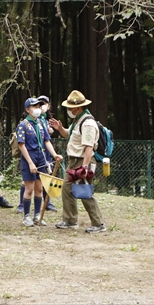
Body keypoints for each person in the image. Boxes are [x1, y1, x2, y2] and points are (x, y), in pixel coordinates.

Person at [49, 90, 106, 233]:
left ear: (78, 108)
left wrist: (85, 167)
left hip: (83, 161)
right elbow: (69, 134)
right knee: (67, 189)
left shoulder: (88, 123)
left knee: (84, 192)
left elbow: (88, 147)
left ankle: (98, 224)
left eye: (70, 107)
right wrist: (60, 128)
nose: (68, 110)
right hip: (74, 161)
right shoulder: (78, 120)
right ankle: (70, 220)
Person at [16, 98, 63, 227]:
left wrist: (54, 155)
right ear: (27, 109)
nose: (37, 108)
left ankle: (37, 215)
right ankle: (26, 216)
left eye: (38, 105)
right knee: (29, 189)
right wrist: (30, 163)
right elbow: (21, 145)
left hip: (41, 159)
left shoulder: (41, 124)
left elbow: (47, 141)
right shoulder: (23, 124)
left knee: (39, 188)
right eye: (34, 106)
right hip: (29, 159)